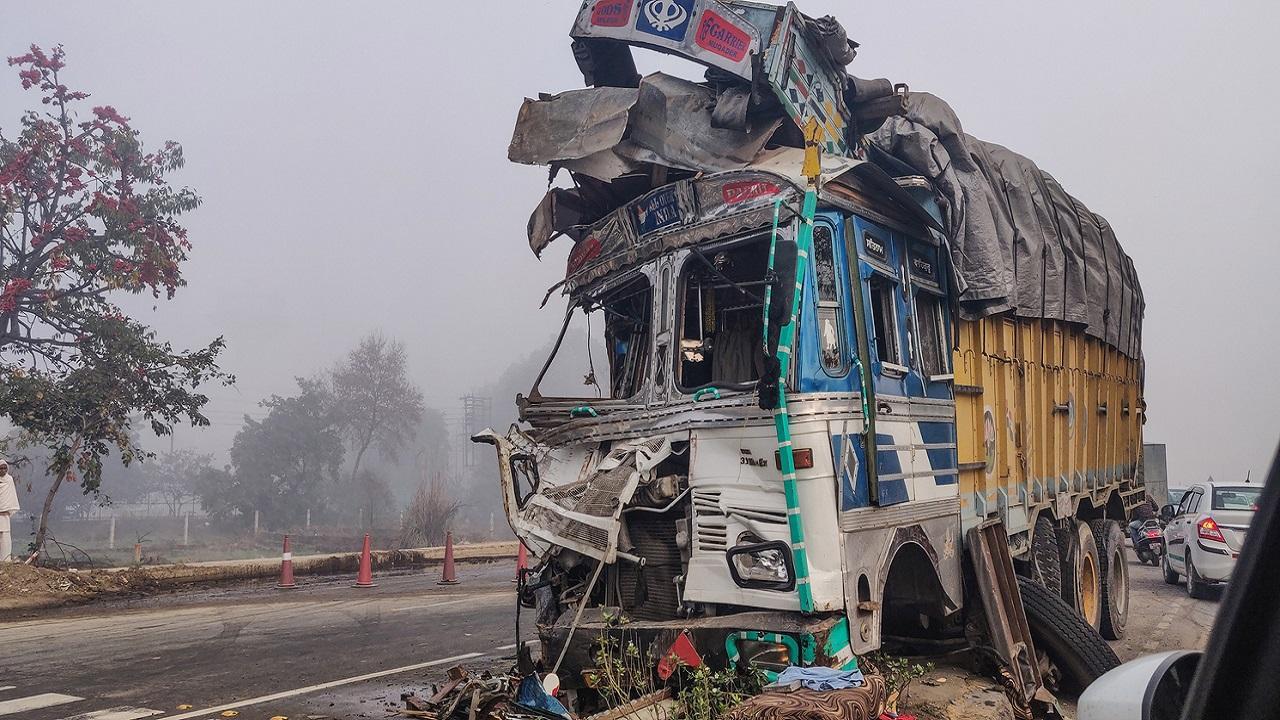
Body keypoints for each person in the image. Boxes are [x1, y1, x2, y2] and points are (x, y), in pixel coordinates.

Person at [0, 459, 19, 562]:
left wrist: (5, 509)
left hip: (5, 515)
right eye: (1, 468)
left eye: (4, 468)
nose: (3, 470)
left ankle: (5, 560)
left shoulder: (9, 480)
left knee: (5, 537)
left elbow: (11, 496)